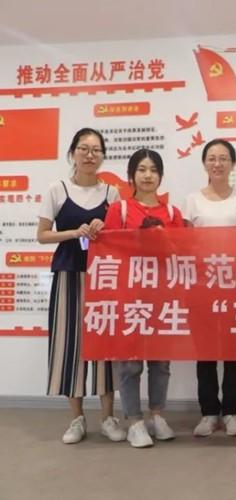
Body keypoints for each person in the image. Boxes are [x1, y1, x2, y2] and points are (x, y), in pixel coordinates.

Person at [37, 128, 125, 444]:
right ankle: (77, 419)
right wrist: (75, 233)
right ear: (73, 152)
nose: (90, 155)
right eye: (84, 149)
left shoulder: (112, 194)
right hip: (68, 274)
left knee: (105, 345)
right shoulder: (57, 189)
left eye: (96, 150)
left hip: (104, 278)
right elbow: (42, 235)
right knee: (69, 345)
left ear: (103, 156)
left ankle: (108, 418)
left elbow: (121, 237)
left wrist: (104, 228)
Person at [103, 148, 184, 448]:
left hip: (163, 296)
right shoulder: (120, 210)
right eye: (142, 169)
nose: (148, 175)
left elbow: (181, 254)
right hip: (130, 296)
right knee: (130, 363)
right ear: (131, 175)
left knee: (161, 362)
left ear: (161, 176)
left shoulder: (173, 213)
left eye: (153, 170)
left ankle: (157, 415)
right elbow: (108, 251)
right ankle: (134, 421)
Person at [184, 139, 236, 438]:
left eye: (223, 158)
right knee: (206, 351)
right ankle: (209, 412)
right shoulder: (192, 201)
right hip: (202, 286)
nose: (217, 163)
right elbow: (186, 246)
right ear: (204, 164)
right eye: (211, 158)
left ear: (232, 164)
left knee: (234, 350)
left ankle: (231, 411)